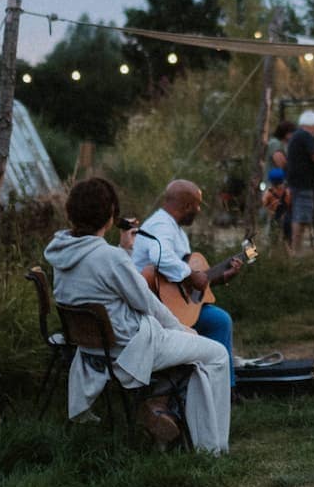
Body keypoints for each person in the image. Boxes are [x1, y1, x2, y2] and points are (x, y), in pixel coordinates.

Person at [44, 177, 231, 453]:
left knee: (193, 352)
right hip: (131, 350)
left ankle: (161, 410)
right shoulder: (110, 258)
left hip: (91, 352)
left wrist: (125, 250)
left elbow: (101, 280)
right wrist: (181, 328)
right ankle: (210, 448)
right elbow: (146, 303)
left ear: (71, 213)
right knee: (216, 355)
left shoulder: (61, 253)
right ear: (110, 215)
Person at [127, 179, 243, 391]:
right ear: (187, 206)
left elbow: (183, 285)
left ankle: (215, 387)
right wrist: (190, 275)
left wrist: (219, 278)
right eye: (197, 205)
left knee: (218, 320)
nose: (199, 210)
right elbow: (160, 257)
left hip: (171, 305)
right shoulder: (161, 225)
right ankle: (221, 390)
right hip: (154, 309)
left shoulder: (174, 228)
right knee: (219, 321)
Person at [286, 110, 314, 252]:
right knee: (301, 218)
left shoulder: (297, 136)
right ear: (313, 125)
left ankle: (294, 249)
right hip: (304, 183)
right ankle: (296, 250)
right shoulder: (307, 136)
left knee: (298, 215)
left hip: (295, 182)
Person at [260, 167, 291, 244]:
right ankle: (287, 245)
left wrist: (269, 208)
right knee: (287, 235)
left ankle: (274, 244)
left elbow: (264, 203)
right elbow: (290, 203)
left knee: (273, 233)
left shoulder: (269, 192)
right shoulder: (287, 191)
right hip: (286, 216)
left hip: (274, 216)